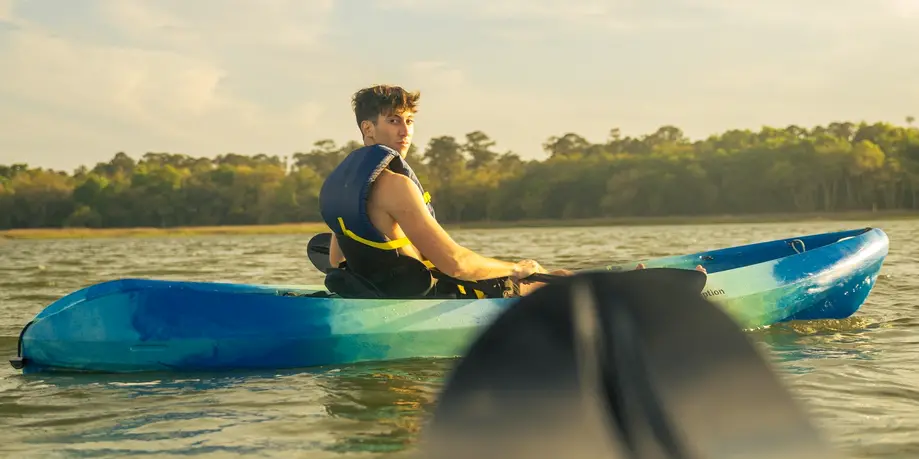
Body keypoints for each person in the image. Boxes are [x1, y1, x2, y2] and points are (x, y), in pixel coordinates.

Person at [317, 84, 570, 299]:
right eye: (393, 121)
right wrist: (515, 269)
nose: (405, 131)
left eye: (409, 121)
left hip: (373, 291)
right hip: (429, 297)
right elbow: (456, 264)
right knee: (561, 282)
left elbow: (336, 262)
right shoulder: (396, 185)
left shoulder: (344, 185)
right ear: (368, 128)